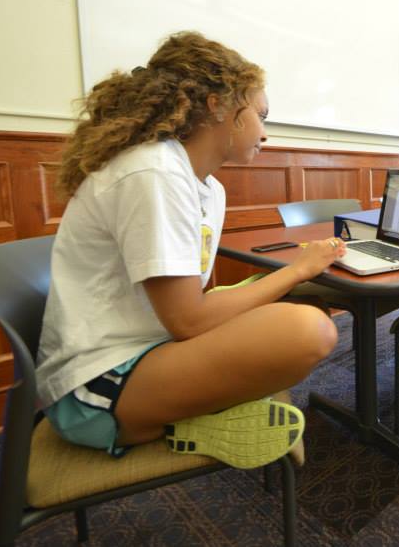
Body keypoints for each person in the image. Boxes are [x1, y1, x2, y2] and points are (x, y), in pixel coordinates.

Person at [35, 31, 344, 468]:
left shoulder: (205, 187)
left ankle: (194, 414)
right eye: (260, 115)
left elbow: (185, 313)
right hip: (96, 389)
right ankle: (168, 423)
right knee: (309, 331)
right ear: (218, 105)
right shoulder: (152, 172)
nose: (267, 134)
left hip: (151, 347)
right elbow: (188, 319)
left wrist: (289, 282)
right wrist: (296, 268)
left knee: (296, 305)